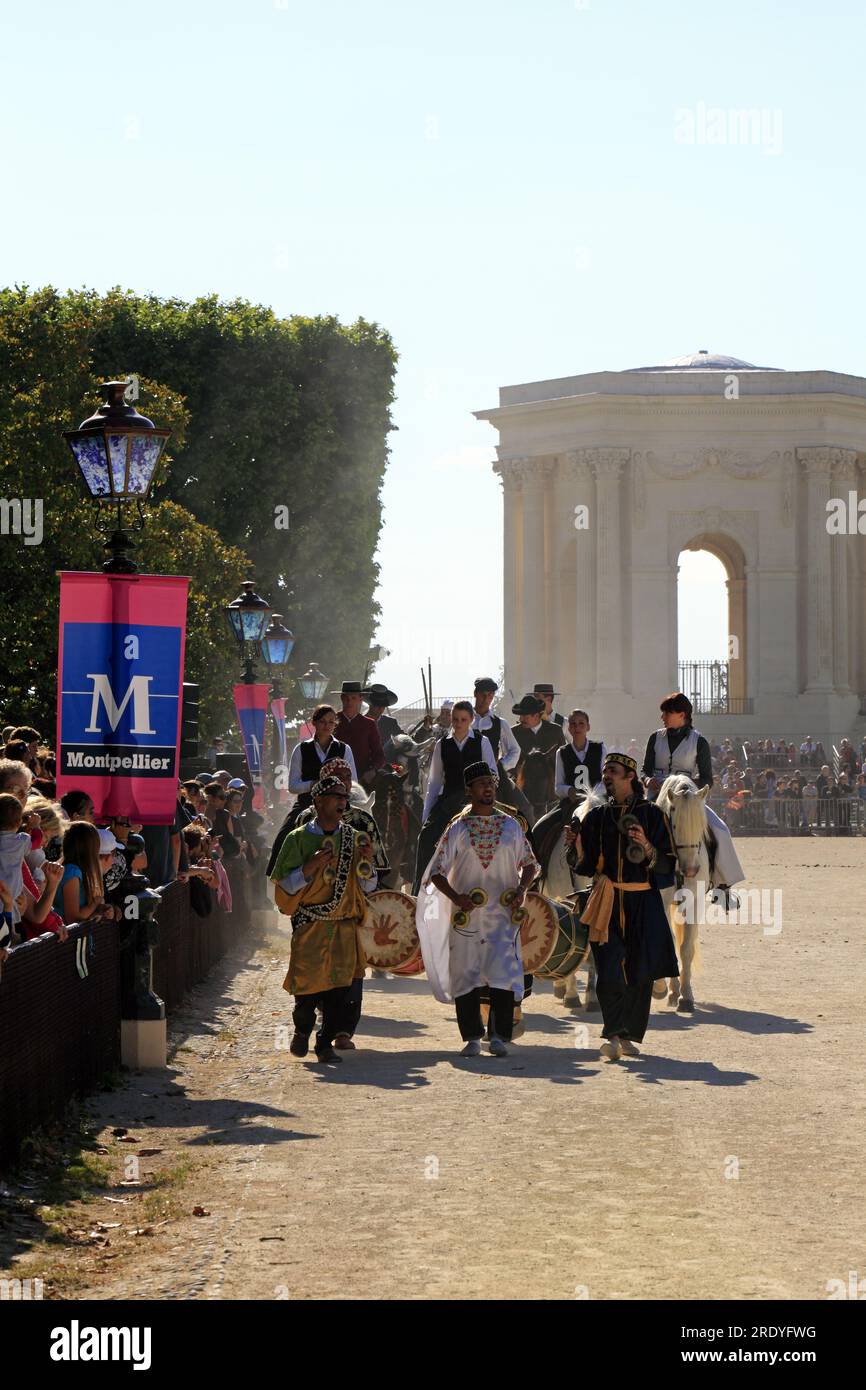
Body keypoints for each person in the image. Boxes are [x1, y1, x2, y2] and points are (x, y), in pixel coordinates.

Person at [416, 763, 539, 1056]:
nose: (488, 788)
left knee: (503, 974)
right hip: (467, 915)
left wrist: (522, 890)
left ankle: (498, 1036)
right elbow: (436, 872)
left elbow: (530, 864)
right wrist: (457, 898)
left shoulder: (511, 826)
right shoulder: (457, 828)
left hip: (503, 916)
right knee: (466, 974)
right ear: (469, 790)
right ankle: (471, 1037)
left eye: (491, 783)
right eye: (481, 783)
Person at [566, 752, 679, 1059]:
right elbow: (586, 866)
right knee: (608, 966)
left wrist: (646, 846)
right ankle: (613, 1033)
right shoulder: (597, 817)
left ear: (630, 777)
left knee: (640, 972)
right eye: (604, 772)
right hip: (607, 900)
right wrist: (575, 845)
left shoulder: (654, 815)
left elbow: (668, 863)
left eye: (612, 771)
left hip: (643, 900)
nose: (606, 776)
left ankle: (629, 1035)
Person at [269, 774, 375, 1064]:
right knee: (306, 988)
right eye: (336, 796)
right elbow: (284, 887)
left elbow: (368, 886)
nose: (343, 801)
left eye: (345, 797)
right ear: (317, 801)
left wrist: (368, 860)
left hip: (344, 924)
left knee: (339, 990)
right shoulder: (298, 838)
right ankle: (302, 1030)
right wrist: (311, 865)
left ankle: (324, 1044)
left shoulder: (354, 839)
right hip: (310, 924)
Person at [641, 692, 743, 900]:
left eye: (667, 713)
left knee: (721, 830)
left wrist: (687, 790)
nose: (662, 717)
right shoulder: (655, 737)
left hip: (687, 800)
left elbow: (707, 779)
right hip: (657, 797)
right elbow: (645, 771)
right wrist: (647, 780)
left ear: (682, 714)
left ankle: (722, 884)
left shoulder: (699, 742)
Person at [413, 700, 497, 892]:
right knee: (426, 837)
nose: (458, 723)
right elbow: (434, 783)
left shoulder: (482, 742)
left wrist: (486, 799)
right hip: (448, 801)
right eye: (455, 719)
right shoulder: (442, 745)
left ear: (471, 720)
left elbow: (493, 774)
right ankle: (419, 890)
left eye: (463, 719)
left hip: (477, 801)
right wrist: (427, 815)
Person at [471, 677, 531, 820]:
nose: (486, 699)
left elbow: (515, 750)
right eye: (483, 694)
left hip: (496, 775)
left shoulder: (500, 723)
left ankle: (527, 841)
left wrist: (499, 767)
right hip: (467, 774)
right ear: (475, 694)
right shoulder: (464, 720)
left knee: (525, 808)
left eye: (490, 695)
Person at [511, 693, 565, 825]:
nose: (521, 718)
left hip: (550, 783)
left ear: (536, 715)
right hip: (522, 781)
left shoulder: (555, 730)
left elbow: (562, 757)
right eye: (521, 715)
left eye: (525, 715)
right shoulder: (514, 732)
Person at [333, 681, 385, 791]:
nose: (349, 701)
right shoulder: (332, 721)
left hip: (363, 781)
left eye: (353, 698)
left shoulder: (369, 724)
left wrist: (373, 770)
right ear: (342, 698)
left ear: (360, 699)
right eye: (346, 698)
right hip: (335, 780)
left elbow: (379, 755)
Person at [364, 684, 403, 759]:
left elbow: (406, 741)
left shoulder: (391, 723)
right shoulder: (360, 722)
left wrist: (424, 729)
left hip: (387, 766)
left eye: (383, 705)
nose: (380, 708)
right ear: (370, 704)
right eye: (377, 705)